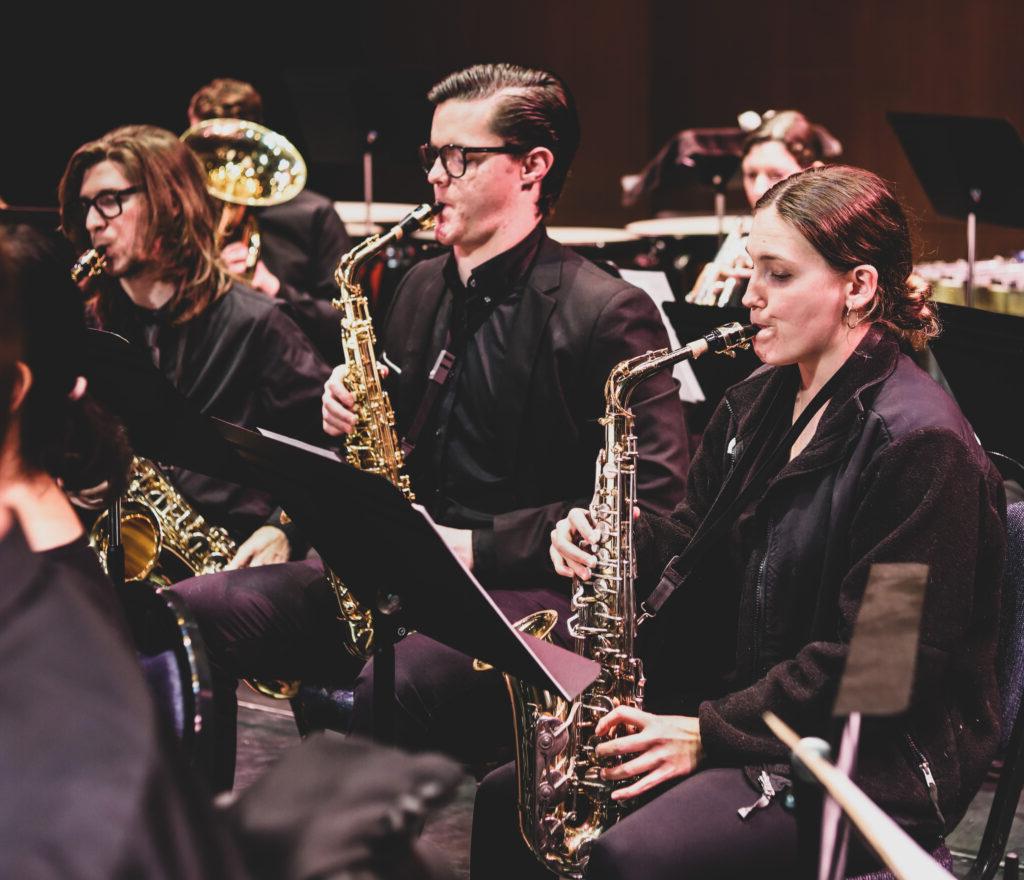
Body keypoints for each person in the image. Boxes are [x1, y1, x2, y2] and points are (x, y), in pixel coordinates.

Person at [472, 165, 1007, 879]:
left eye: (778, 276)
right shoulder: (757, 401)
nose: (748, 297)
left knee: (631, 858)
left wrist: (708, 735)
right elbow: (698, 541)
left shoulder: (920, 448)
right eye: (752, 270)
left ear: (858, 287)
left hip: (867, 767)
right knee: (507, 802)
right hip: (749, 711)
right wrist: (618, 539)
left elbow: (877, 674)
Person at [57, 126, 346, 791]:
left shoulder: (254, 323)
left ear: (164, 202)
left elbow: (329, 445)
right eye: (85, 208)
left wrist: (284, 525)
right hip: (118, 536)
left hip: (225, 553)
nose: (92, 225)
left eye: (109, 203)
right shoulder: (95, 324)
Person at [187, 77, 353, 361]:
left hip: (291, 375)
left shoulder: (314, 214)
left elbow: (345, 322)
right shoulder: (187, 215)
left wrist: (274, 288)